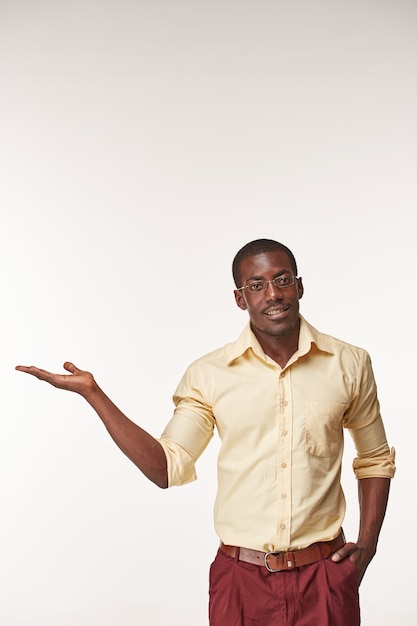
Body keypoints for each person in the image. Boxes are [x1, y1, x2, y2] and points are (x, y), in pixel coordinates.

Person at [16, 238, 395, 626]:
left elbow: (375, 459)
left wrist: (367, 545)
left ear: (300, 286)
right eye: (256, 285)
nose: (273, 294)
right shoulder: (209, 374)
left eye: (282, 280)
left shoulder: (349, 363)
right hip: (241, 581)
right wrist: (94, 394)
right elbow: (165, 467)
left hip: (324, 576)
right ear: (239, 298)